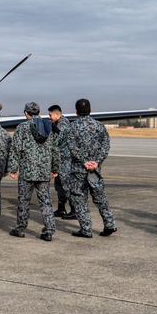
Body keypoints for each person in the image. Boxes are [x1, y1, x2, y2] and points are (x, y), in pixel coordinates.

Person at [64, 98, 117, 239]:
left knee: (79, 199)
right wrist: (97, 162)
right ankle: (110, 224)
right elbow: (105, 145)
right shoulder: (99, 126)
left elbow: (72, 147)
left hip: (78, 170)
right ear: (90, 110)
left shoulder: (71, 127)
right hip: (95, 171)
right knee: (100, 197)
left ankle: (86, 229)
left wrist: (84, 162)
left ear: (76, 111)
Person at [7, 102, 59, 241]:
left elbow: (15, 149)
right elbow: (55, 150)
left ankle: (20, 228)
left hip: (27, 171)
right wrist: (55, 168)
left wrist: (13, 168)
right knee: (45, 201)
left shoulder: (22, 127)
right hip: (43, 171)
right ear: (39, 112)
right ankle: (49, 230)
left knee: (24, 201)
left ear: (26, 113)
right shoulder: (49, 126)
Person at [48, 104, 76, 220]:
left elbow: (57, 139)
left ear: (57, 114)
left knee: (66, 185)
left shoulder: (63, 124)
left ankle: (74, 210)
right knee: (59, 186)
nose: (49, 117)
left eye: (50, 115)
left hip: (65, 160)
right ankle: (61, 208)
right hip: (59, 160)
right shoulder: (56, 124)